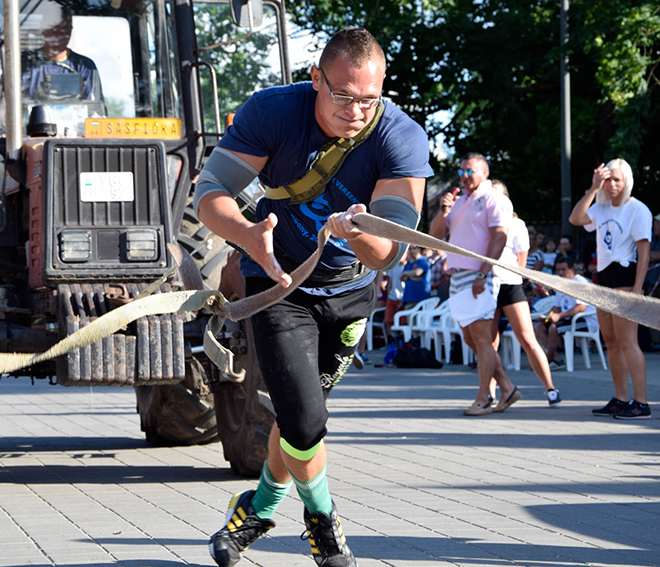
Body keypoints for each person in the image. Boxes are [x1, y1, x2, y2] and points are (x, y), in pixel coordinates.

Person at [195, 28, 431, 567]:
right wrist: (247, 234)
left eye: (369, 99)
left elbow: (388, 253)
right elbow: (209, 196)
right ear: (315, 79)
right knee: (303, 420)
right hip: (277, 284)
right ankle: (323, 523)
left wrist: (360, 232)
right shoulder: (273, 112)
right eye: (343, 96)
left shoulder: (401, 137)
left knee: (303, 417)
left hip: (349, 292)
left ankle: (255, 509)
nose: (356, 111)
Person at [429, 153, 520, 416]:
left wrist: (483, 273)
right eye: (462, 171)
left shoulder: (494, 198)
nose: (464, 176)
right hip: (457, 276)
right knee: (471, 338)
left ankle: (484, 398)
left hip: (480, 275)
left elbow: (499, 237)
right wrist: (444, 209)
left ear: (483, 172)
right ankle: (507, 387)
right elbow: (436, 235)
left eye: (470, 171)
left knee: (482, 339)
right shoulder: (459, 202)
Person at [569, 158, 651, 420]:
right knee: (611, 343)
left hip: (626, 274)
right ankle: (620, 398)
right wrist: (593, 189)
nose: (612, 184)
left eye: (617, 179)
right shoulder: (601, 206)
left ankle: (641, 403)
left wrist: (638, 288)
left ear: (626, 181)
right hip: (603, 276)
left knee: (628, 341)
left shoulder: (638, 209)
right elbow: (576, 218)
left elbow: (644, 251)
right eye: (608, 179)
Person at [488, 180, 561, 407]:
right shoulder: (481, 221)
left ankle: (550, 388)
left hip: (510, 284)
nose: (495, 201)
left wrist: (516, 279)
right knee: (489, 343)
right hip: (488, 285)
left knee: (528, 338)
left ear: (507, 199)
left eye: (499, 196)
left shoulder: (517, 224)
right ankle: (490, 393)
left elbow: (521, 260)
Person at [21, 5, 105, 105]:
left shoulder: (85, 67)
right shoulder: (25, 63)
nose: (60, 34)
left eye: (65, 28)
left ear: (70, 30)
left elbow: (94, 111)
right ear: (43, 29)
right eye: (55, 27)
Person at [533, 257, 597, 370]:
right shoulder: (561, 284)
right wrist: (547, 317)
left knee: (553, 328)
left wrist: (559, 316)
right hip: (568, 319)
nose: (560, 273)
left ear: (572, 269)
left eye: (563, 269)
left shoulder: (580, 282)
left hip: (585, 320)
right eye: (558, 270)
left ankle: (547, 360)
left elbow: (581, 308)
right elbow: (556, 307)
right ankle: (556, 358)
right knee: (539, 326)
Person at [383, 252, 407, 341]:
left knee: (403, 322)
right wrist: (389, 295)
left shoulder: (408, 266)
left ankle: (403, 341)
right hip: (392, 297)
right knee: (388, 321)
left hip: (403, 298)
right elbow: (389, 283)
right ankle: (390, 340)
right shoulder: (393, 266)